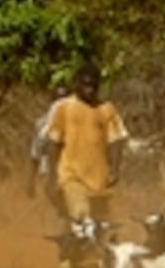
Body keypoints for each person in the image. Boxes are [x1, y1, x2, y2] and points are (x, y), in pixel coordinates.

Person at [44, 63, 129, 224]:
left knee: (104, 226)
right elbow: (53, 142)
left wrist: (115, 169)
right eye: (85, 85)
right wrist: (51, 176)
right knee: (82, 218)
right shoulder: (64, 108)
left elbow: (116, 140)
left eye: (93, 86)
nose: (89, 90)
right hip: (71, 176)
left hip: (99, 180)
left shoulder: (107, 109)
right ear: (76, 84)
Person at [26, 84, 69, 213]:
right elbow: (35, 153)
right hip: (48, 171)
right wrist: (30, 181)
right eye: (58, 100)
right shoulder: (42, 124)